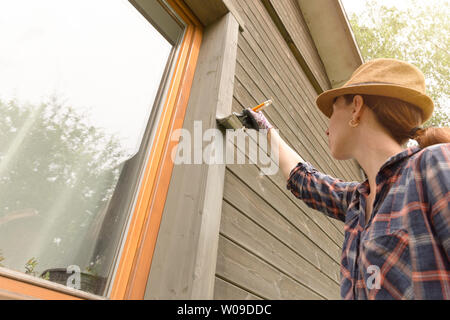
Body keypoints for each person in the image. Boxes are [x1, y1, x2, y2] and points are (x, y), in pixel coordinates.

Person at [245, 58, 450, 300]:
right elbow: (305, 181)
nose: (327, 127)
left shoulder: (433, 163)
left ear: (356, 107)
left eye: (332, 111)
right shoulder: (357, 202)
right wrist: (265, 129)